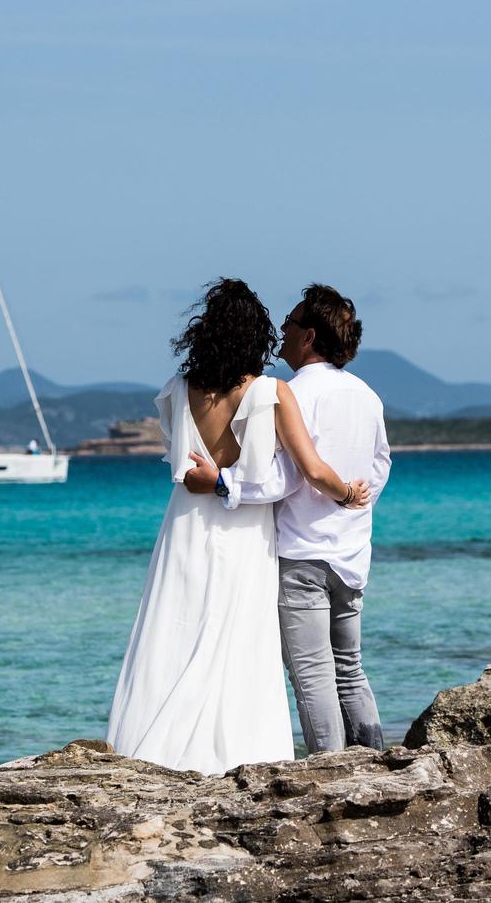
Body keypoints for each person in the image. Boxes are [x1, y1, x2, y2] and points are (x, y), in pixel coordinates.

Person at [105, 278, 369, 775]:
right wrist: (347, 494)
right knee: (240, 637)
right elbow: (309, 467)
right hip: (245, 529)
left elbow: (176, 458)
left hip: (185, 522)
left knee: (176, 629)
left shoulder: (179, 390)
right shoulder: (271, 391)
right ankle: (237, 752)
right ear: (258, 336)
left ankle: (154, 747)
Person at [186, 284, 390, 754]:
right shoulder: (367, 395)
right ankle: (377, 759)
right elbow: (380, 465)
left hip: (302, 551)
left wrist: (222, 483)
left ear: (308, 336)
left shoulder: (292, 394)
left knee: (312, 672)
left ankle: (331, 770)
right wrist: (357, 500)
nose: (282, 329)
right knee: (349, 666)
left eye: (291, 323)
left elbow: (283, 477)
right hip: (353, 551)